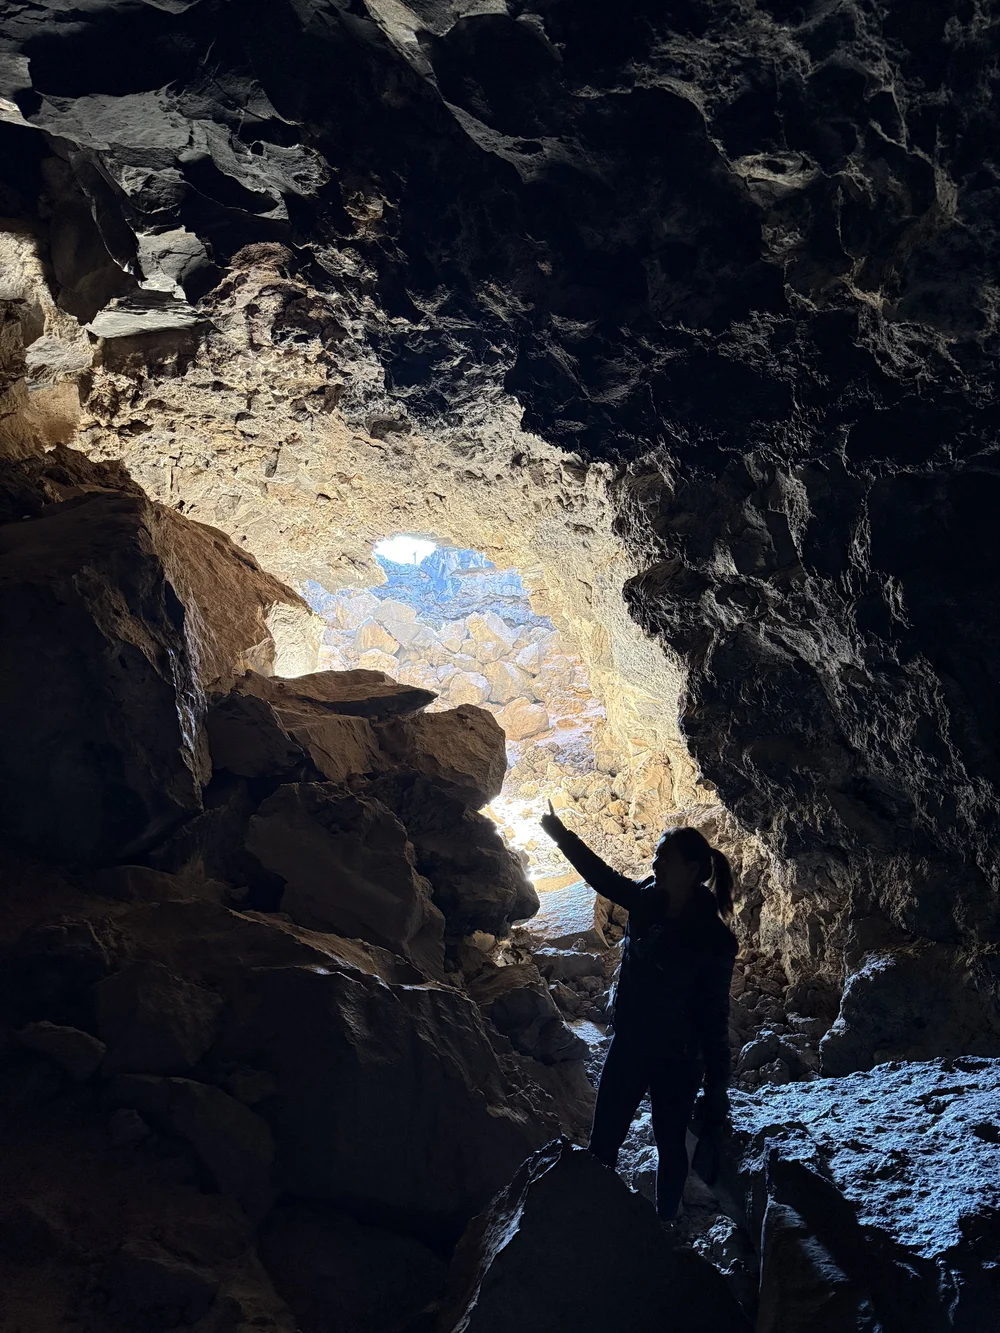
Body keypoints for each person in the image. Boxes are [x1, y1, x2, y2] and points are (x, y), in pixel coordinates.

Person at [539, 801, 738, 1223]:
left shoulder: (714, 939)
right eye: (656, 855)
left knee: (670, 1146)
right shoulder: (647, 900)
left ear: (691, 869)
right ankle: (594, 1224)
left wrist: (717, 1086)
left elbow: (714, 1014)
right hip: (631, 1042)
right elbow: (602, 877)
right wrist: (560, 834)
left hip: (678, 1057)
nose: (655, 862)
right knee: (604, 1141)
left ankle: (664, 1227)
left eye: (663, 857)